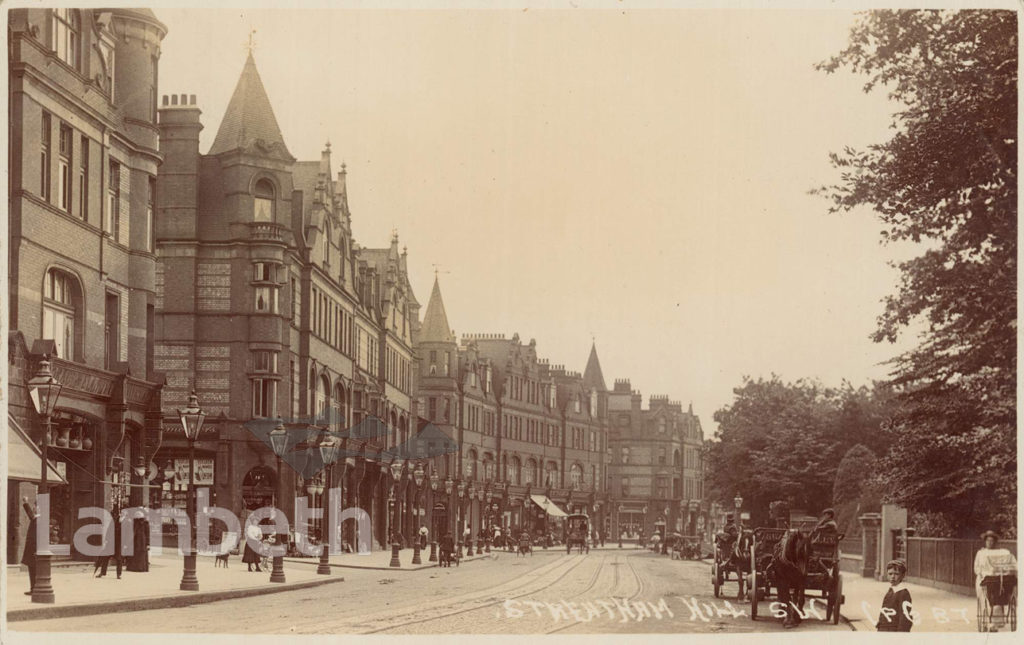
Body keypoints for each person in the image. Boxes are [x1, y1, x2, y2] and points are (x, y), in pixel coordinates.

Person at [876, 559, 913, 632]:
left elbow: (904, 617)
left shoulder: (903, 593)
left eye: (896, 574)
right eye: (890, 574)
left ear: (903, 575)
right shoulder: (891, 590)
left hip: (894, 631)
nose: (893, 577)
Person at [21, 498, 38, 595]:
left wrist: (26, 502)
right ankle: (33, 588)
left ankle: (34, 589)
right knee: (32, 569)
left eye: (35, 506)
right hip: (32, 549)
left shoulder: (38, 518)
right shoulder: (37, 518)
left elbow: (31, 516)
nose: (34, 508)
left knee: (34, 570)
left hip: (34, 550)